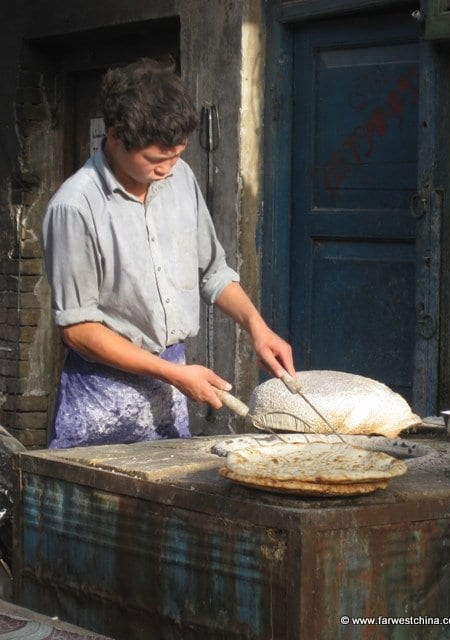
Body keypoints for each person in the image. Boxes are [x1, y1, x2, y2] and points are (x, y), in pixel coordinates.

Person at [42, 57, 295, 449]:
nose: (168, 169)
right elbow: (78, 330)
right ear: (114, 138)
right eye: (156, 160)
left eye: (176, 156)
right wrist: (173, 374)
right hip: (100, 397)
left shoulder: (181, 179)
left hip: (173, 382)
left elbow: (214, 272)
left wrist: (257, 328)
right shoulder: (75, 207)